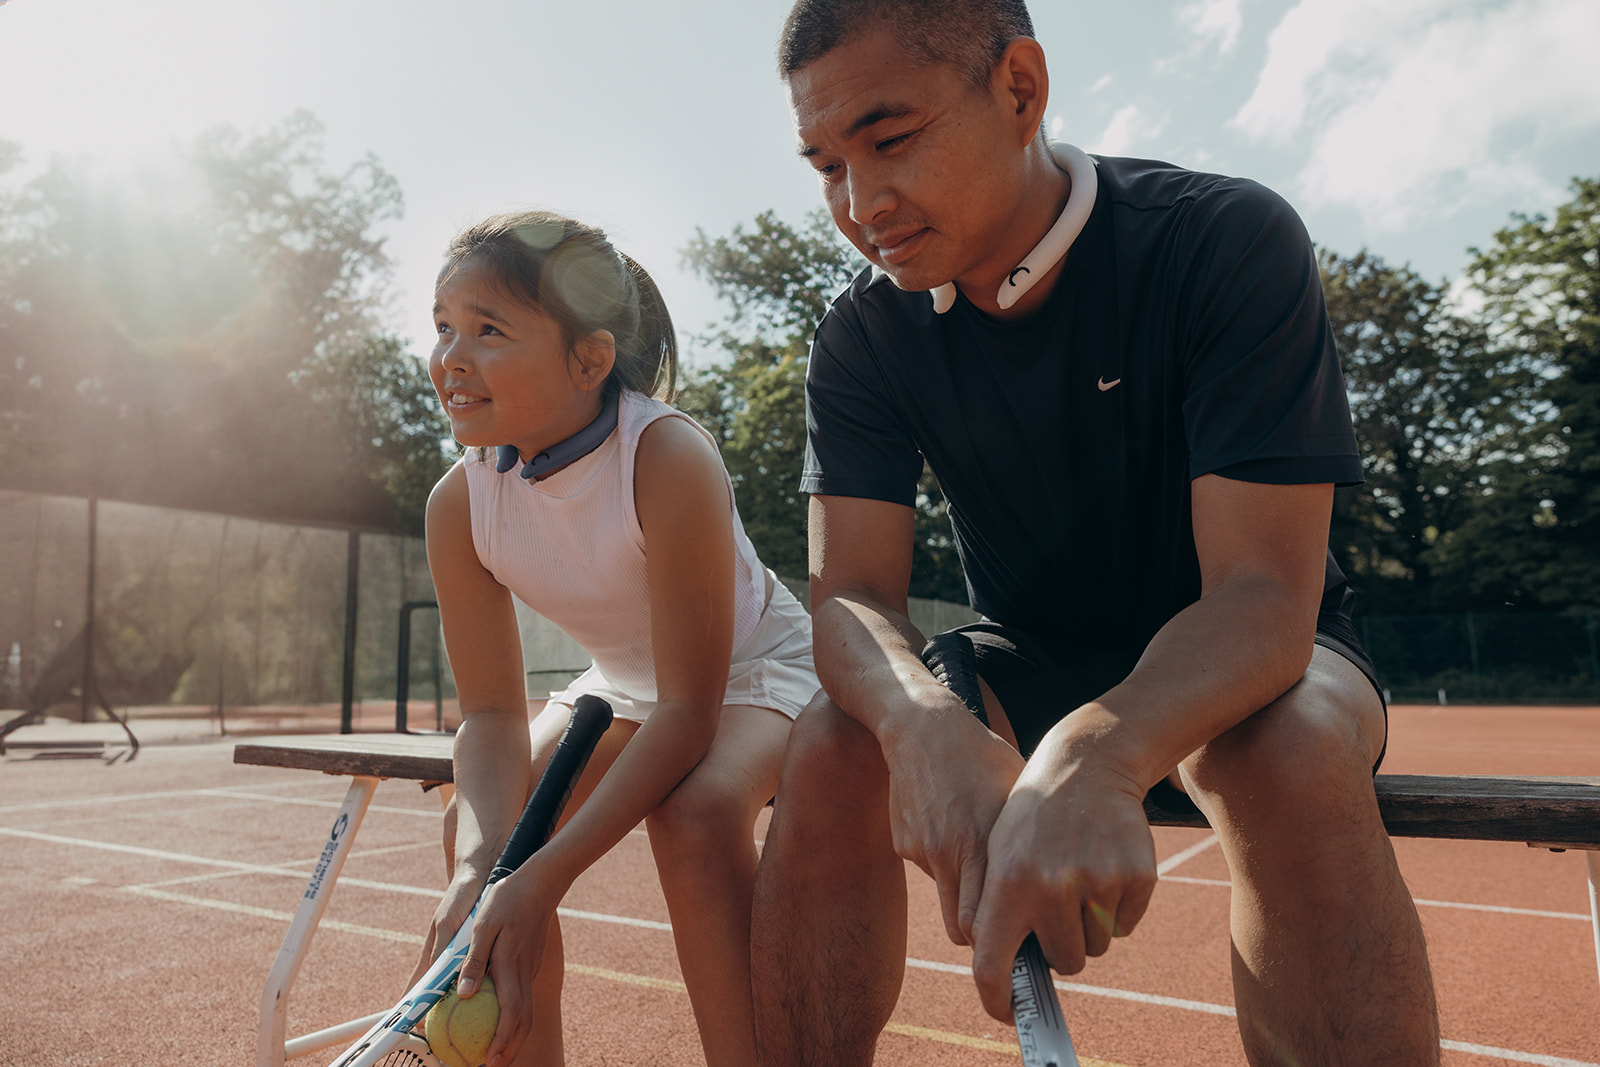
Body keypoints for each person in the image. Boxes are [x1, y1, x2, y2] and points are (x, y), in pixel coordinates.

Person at [749, 2, 1441, 1064]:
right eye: (824, 164)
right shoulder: (861, 332)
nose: (860, 202)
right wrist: (920, 722)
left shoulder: (1223, 237)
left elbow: (1261, 594)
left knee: (1287, 751)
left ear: (1020, 90)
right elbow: (848, 594)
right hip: (1033, 658)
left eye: (888, 141)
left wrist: (1098, 752)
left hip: (1254, 654)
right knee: (841, 740)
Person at [414, 210, 816, 1067]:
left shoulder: (668, 456)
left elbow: (689, 712)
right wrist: (483, 870)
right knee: (477, 830)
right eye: (444, 326)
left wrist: (539, 876)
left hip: (761, 671)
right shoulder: (459, 502)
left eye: (488, 330)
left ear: (590, 360)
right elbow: (487, 714)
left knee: (698, 815)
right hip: (626, 683)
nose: (452, 355)